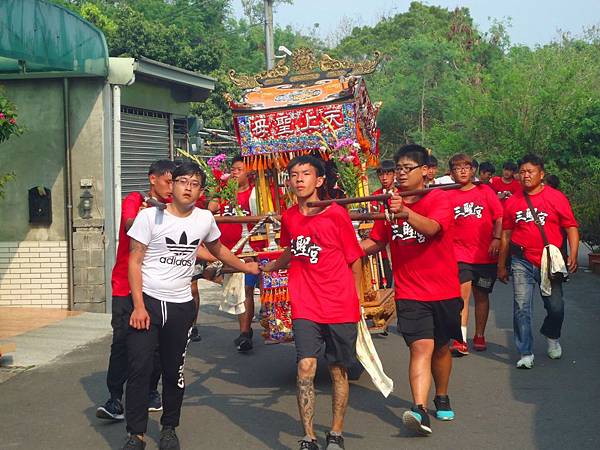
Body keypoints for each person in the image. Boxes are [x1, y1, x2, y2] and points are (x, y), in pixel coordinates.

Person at [123, 160, 260, 450]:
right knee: (140, 369)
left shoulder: (204, 220)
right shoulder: (149, 217)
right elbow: (133, 261)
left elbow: (218, 249)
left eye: (195, 184)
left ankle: (169, 428)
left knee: (174, 371)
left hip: (181, 306)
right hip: (147, 302)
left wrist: (245, 267)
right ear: (171, 185)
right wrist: (137, 306)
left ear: (200, 191)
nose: (189, 188)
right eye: (183, 181)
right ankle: (135, 434)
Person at [262, 155, 363, 450]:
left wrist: (353, 301)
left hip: (338, 304)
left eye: (305, 174)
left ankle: (336, 432)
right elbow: (293, 250)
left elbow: (354, 261)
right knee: (305, 366)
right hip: (305, 303)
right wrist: (270, 266)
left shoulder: (336, 214)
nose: (299, 179)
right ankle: (309, 436)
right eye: (293, 175)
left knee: (337, 369)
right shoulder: (290, 216)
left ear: (319, 180)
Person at [361, 144, 462, 435]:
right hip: (409, 291)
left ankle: (441, 395)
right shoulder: (389, 205)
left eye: (407, 169)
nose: (401, 175)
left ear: (425, 172)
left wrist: (404, 212)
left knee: (441, 349)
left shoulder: (438, 199)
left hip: (443, 290)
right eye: (398, 169)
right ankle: (419, 411)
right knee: (420, 347)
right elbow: (377, 241)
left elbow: (432, 229)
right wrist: (346, 253)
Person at [96, 160, 175, 422]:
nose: (171, 187)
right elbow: (130, 225)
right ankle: (114, 398)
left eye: (176, 182)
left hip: (154, 286)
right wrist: (149, 213)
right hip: (124, 284)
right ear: (153, 179)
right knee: (121, 341)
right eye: (167, 181)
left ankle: (152, 391)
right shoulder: (135, 199)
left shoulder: (176, 209)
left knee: (155, 345)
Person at [497, 154, 579, 369]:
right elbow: (505, 235)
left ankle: (552, 336)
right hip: (521, 260)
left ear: (541, 175)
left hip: (549, 261)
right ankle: (525, 352)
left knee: (556, 307)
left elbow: (571, 227)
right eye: (522, 172)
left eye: (530, 171)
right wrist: (501, 265)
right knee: (521, 307)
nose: (525, 176)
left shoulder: (556, 197)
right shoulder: (513, 201)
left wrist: (573, 253)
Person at [446, 154, 503, 355]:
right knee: (462, 295)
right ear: (451, 174)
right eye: (457, 168)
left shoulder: (485, 191)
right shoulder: (447, 195)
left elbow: (499, 217)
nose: (462, 170)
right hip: (460, 255)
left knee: (482, 295)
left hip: (485, 254)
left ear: (473, 171)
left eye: (466, 167)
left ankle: (479, 334)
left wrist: (496, 239)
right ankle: (460, 339)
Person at [211, 155, 267, 352]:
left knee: (246, 289)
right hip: (228, 249)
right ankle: (245, 329)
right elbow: (212, 208)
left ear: (250, 173)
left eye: (238, 169)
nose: (234, 173)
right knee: (236, 288)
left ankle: (244, 333)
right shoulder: (224, 192)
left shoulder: (257, 193)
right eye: (232, 169)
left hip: (252, 247)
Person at [370, 159, 395, 288]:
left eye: (388, 174)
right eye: (381, 175)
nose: (384, 178)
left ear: (394, 174)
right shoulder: (374, 196)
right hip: (382, 244)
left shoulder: (400, 193)